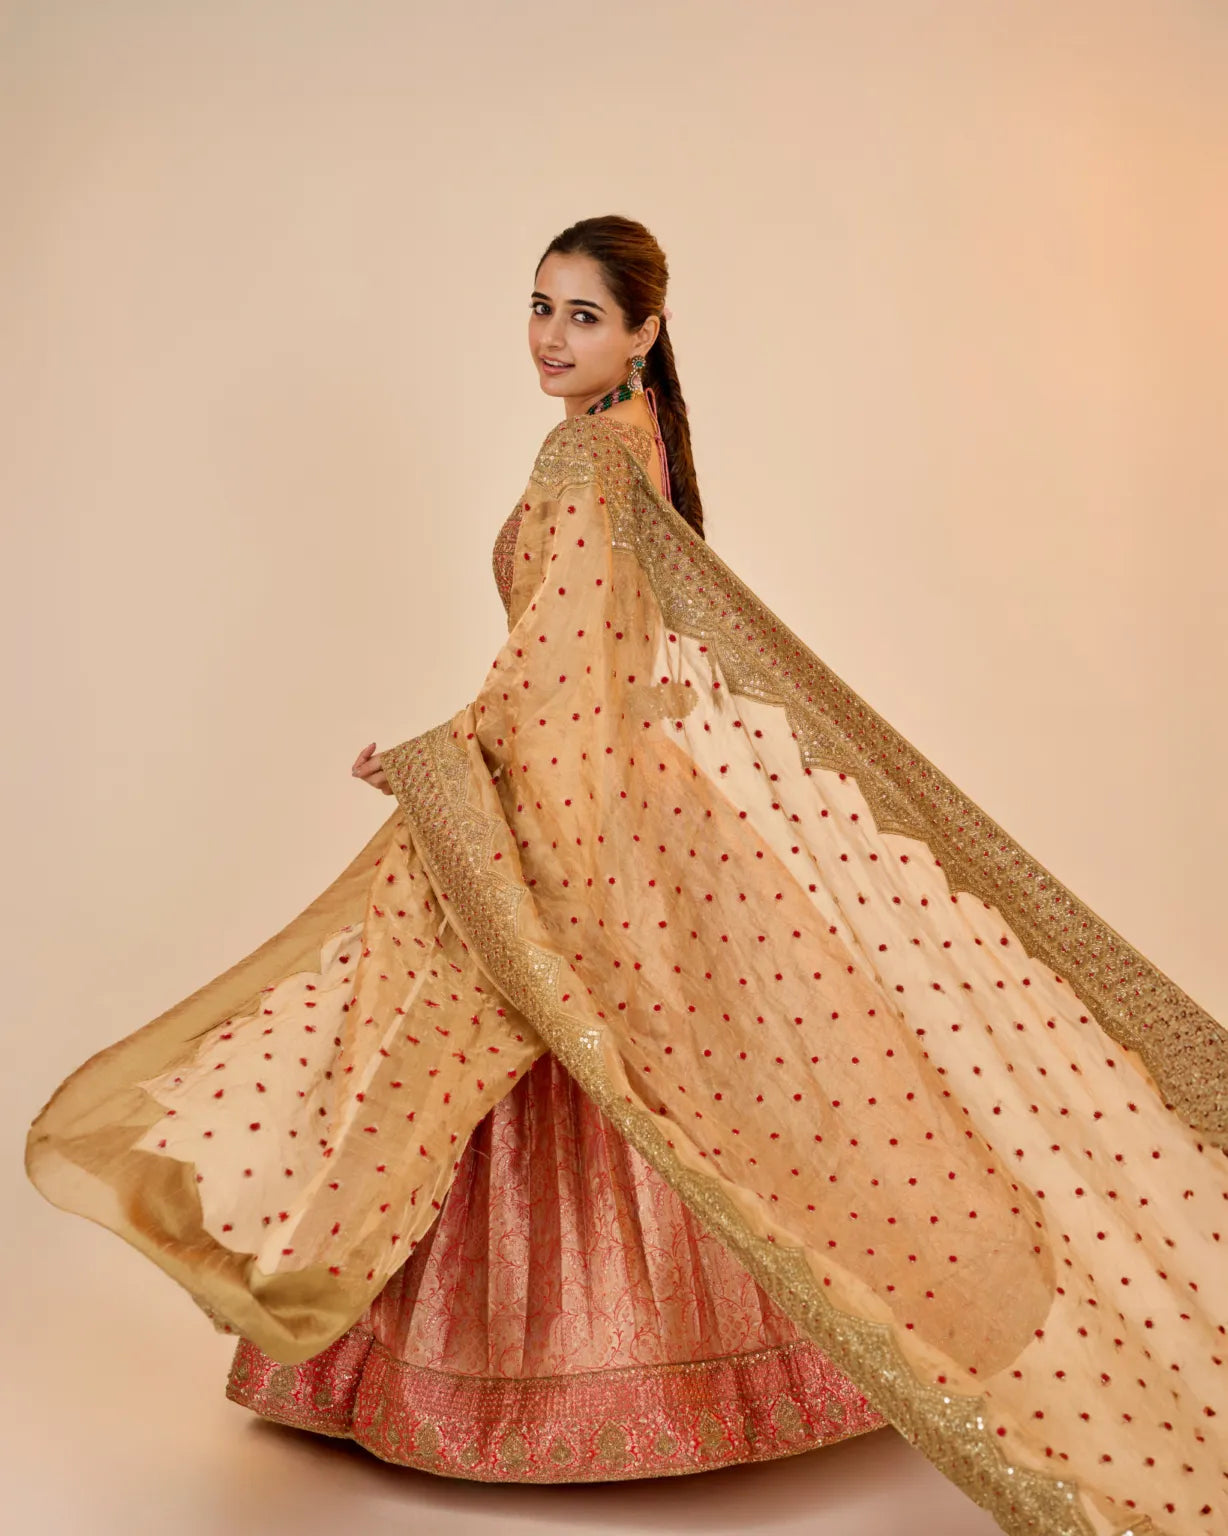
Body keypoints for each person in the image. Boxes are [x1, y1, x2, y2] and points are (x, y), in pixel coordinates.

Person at [24, 214, 1227, 1532]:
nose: (550, 337)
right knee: (653, 1072)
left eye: (583, 315)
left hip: (586, 810)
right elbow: (595, 664)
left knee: (546, 1051)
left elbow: (554, 679)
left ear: (645, 331)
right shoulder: (637, 442)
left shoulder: (583, 456)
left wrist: (431, 762)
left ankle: (526, 1400)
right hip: (625, 802)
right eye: (539, 306)